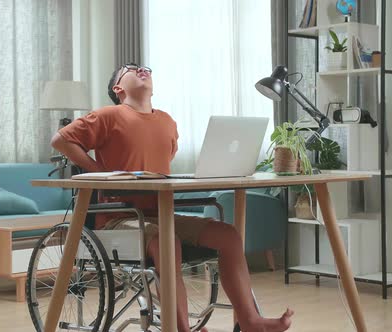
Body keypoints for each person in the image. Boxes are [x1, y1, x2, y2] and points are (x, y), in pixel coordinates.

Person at [51, 62, 294, 332]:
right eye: (130, 69)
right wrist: (99, 172)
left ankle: (250, 320)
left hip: (160, 215)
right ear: (118, 88)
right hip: (118, 220)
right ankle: (181, 329)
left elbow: (164, 161)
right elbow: (61, 140)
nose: (142, 69)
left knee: (229, 236)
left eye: (145, 67)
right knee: (168, 241)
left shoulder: (167, 121)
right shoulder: (108, 115)